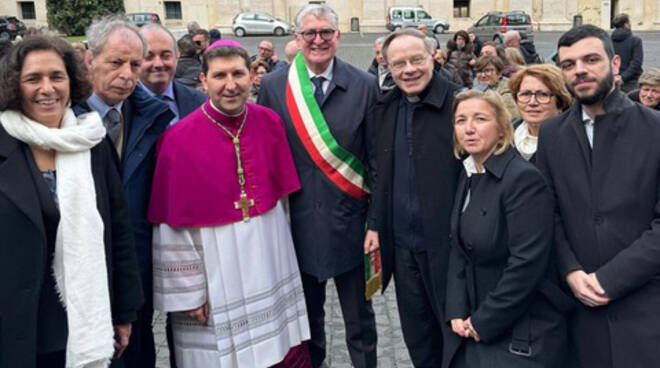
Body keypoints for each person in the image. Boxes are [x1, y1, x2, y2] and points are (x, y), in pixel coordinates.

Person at [148, 39, 311, 368]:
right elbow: (171, 225)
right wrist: (189, 293)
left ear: (252, 77)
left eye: (238, 74)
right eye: (220, 76)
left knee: (278, 348)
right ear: (204, 81)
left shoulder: (269, 122)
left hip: (269, 257)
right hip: (214, 269)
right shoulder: (177, 139)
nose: (231, 84)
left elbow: (283, 205)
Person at [0, 35, 143, 368]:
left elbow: (118, 231)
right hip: (17, 325)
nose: (47, 88)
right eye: (33, 79)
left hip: (85, 322)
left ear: (72, 81)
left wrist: (124, 312)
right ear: (13, 85)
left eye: (56, 77)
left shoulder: (92, 143)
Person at [258, 4, 378, 367]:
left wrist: (375, 224)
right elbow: (267, 156)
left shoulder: (366, 85)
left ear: (338, 37)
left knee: (360, 322)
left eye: (326, 32)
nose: (318, 40)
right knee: (306, 324)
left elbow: (376, 162)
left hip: (353, 225)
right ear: (297, 39)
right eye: (310, 33)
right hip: (297, 226)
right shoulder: (275, 86)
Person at [536, 24, 660, 368]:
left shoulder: (655, 130)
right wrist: (570, 270)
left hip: (646, 309)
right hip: (577, 311)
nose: (580, 71)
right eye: (569, 64)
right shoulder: (552, 134)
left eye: (591, 59)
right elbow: (548, 213)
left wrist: (610, 279)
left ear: (616, 63)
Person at [74, 16, 175, 368]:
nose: (128, 74)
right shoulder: (61, 121)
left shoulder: (153, 117)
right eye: (116, 62)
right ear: (90, 59)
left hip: (136, 277)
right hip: (80, 278)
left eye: (135, 64)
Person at [444, 89, 569, 368]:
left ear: (502, 128)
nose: (469, 128)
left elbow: (527, 264)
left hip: (519, 328)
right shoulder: (470, 173)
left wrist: (484, 320)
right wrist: (455, 309)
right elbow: (459, 248)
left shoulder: (522, 179)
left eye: (480, 119)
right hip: (472, 323)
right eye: (461, 120)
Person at [365, 28, 461, 367]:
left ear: (433, 58)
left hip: (450, 245)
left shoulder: (459, 103)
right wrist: (375, 224)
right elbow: (380, 173)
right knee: (417, 333)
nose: (408, 70)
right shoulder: (384, 106)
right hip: (403, 244)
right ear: (387, 67)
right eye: (399, 63)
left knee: (453, 331)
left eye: (416, 60)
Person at [139, 24, 206, 126]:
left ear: (177, 56)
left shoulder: (200, 103)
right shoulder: (122, 106)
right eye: (149, 56)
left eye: (165, 56)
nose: (158, 64)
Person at [509, 64, 572, 162]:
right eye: (526, 94)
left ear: (560, 102)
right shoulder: (505, 136)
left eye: (542, 94)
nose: (532, 102)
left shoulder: (573, 141)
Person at [611, 13, 643, 92]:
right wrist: (623, 77)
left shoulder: (608, 40)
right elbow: (636, 63)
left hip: (613, 80)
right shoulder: (635, 40)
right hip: (631, 82)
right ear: (626, 24)